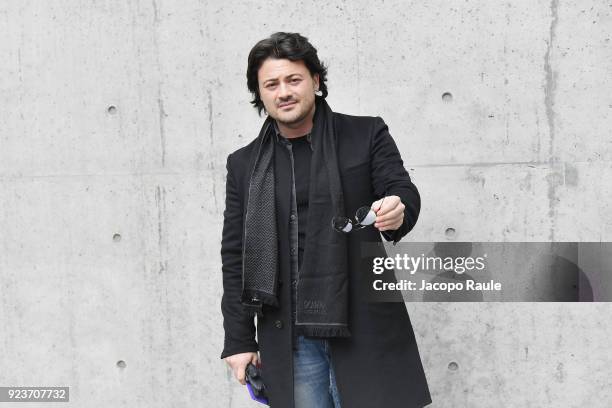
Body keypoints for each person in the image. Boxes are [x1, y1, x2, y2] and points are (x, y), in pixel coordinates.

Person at [220, 32, 431, 408]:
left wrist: (398, 208)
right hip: (289, 336)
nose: (283, 91)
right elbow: (235, 253)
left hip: (362, 323)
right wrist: (238, 341)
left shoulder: (365, 134)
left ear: (315, 81)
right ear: (260, 93)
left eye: (293, 79)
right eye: (271, 84)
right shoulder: (244, 164)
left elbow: (401, 190)